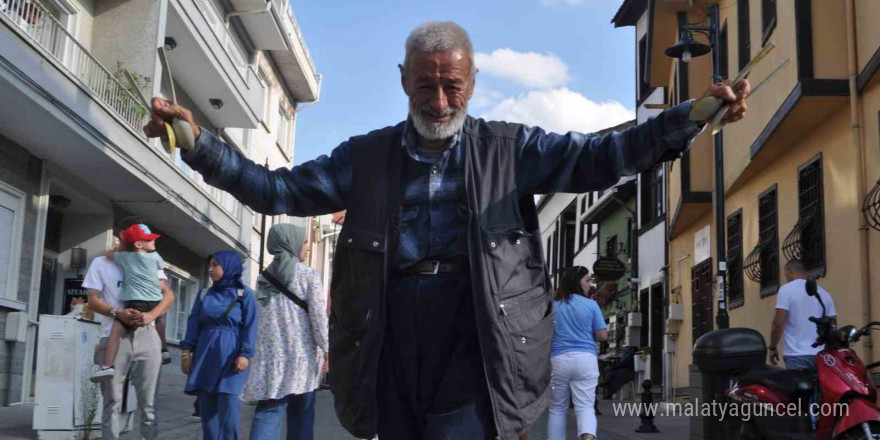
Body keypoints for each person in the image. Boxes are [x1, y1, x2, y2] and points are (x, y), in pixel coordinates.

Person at [144, 21, 749, 440]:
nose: (438, 100)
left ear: (473, 82)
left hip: (475, 327)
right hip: (388, 327)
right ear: (404, 79)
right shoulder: (367, 157)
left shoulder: (510, 149)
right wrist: (198, 145)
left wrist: (690, 115)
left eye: (451, 85)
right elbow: (276, 190)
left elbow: (602, 154)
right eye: (426, 84)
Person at [83, 217, 175, 440]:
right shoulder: (100, 264)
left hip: (147, 334)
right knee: (112, 401)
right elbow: (92, 300)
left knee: (149, 403)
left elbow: (168, 295)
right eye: (142, 237)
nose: (146, 241)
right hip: (114, 335)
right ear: (125, 235)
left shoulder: (149, 259)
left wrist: (151, 315)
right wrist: (117, 313)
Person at [243, 224, 329, 440]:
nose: (307, 248)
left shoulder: (264, 278)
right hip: (302, 358)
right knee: (302, 415)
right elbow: (319, 319)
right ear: (291, 243)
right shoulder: (308, 276)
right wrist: (329, 349)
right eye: (304, 242)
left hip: (272, 358)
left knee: (269, 411)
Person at [181, 251, 258, 440]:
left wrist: (245, 354)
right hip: (205, 355)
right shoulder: (204, 294)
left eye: (216, 265)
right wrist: (186, 353)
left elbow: (251, 325)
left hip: (232, 356)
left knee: (229, 409)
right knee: (207, 413)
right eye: (210, 265)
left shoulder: (244, 294)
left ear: (229, 266)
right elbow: (193, 323)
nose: (210, 269)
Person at [91, 223, 166, 382]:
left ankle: (108, 366)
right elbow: (92, 301)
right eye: (149, 239)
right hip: (153, 302)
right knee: (159, 320)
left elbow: (110, 255)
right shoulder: (154, 257)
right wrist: (152, 315)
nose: (153, 241)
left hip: (136, 305)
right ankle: (165, 349)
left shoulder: (125, 258)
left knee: (116, 329)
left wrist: (118, 313)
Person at [548, 267, 608, 440]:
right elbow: (602, 335)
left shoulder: (553, 305)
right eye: (587, 280)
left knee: (557, 408)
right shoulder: (591, 305)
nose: (590, 284)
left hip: (558, 360)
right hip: (585, 360)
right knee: (585, 406)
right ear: (577, 282)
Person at [769, 259, 836, 369]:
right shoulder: (824, 293)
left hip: (797, 356)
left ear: (790, 271)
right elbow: (832, 325)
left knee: (798, 386)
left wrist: (772, 347)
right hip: (822, 356)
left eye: (785, 274)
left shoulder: (786, 290)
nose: (786, 278)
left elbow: (778, 323)